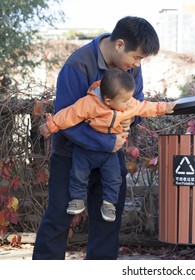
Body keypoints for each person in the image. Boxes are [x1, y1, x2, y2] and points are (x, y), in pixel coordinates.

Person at [32, 16, 160, 260]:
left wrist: (131, 119)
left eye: (140, 60)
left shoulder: (130, 67)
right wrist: (109, 141)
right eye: (136, 57)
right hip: (71, 156)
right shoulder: (78, 65)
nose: (136, 64)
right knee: (58, 219)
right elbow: (66, 121)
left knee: (107, 222)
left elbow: (137, 103)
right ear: (119, 44)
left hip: (110, 160)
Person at [39, 68, 176, 222]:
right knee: (78, 174)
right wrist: (50, 126)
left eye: (130, 98)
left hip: (109, 152)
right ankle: (77, 199)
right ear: (108, 100)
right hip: (87, 149)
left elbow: (146, 107)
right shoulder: (90, 103)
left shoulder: (129, 103)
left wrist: (166, 107)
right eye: (125, 100)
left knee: (114, 177)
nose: (129, 103)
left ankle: (109, 203)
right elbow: (70, 114)